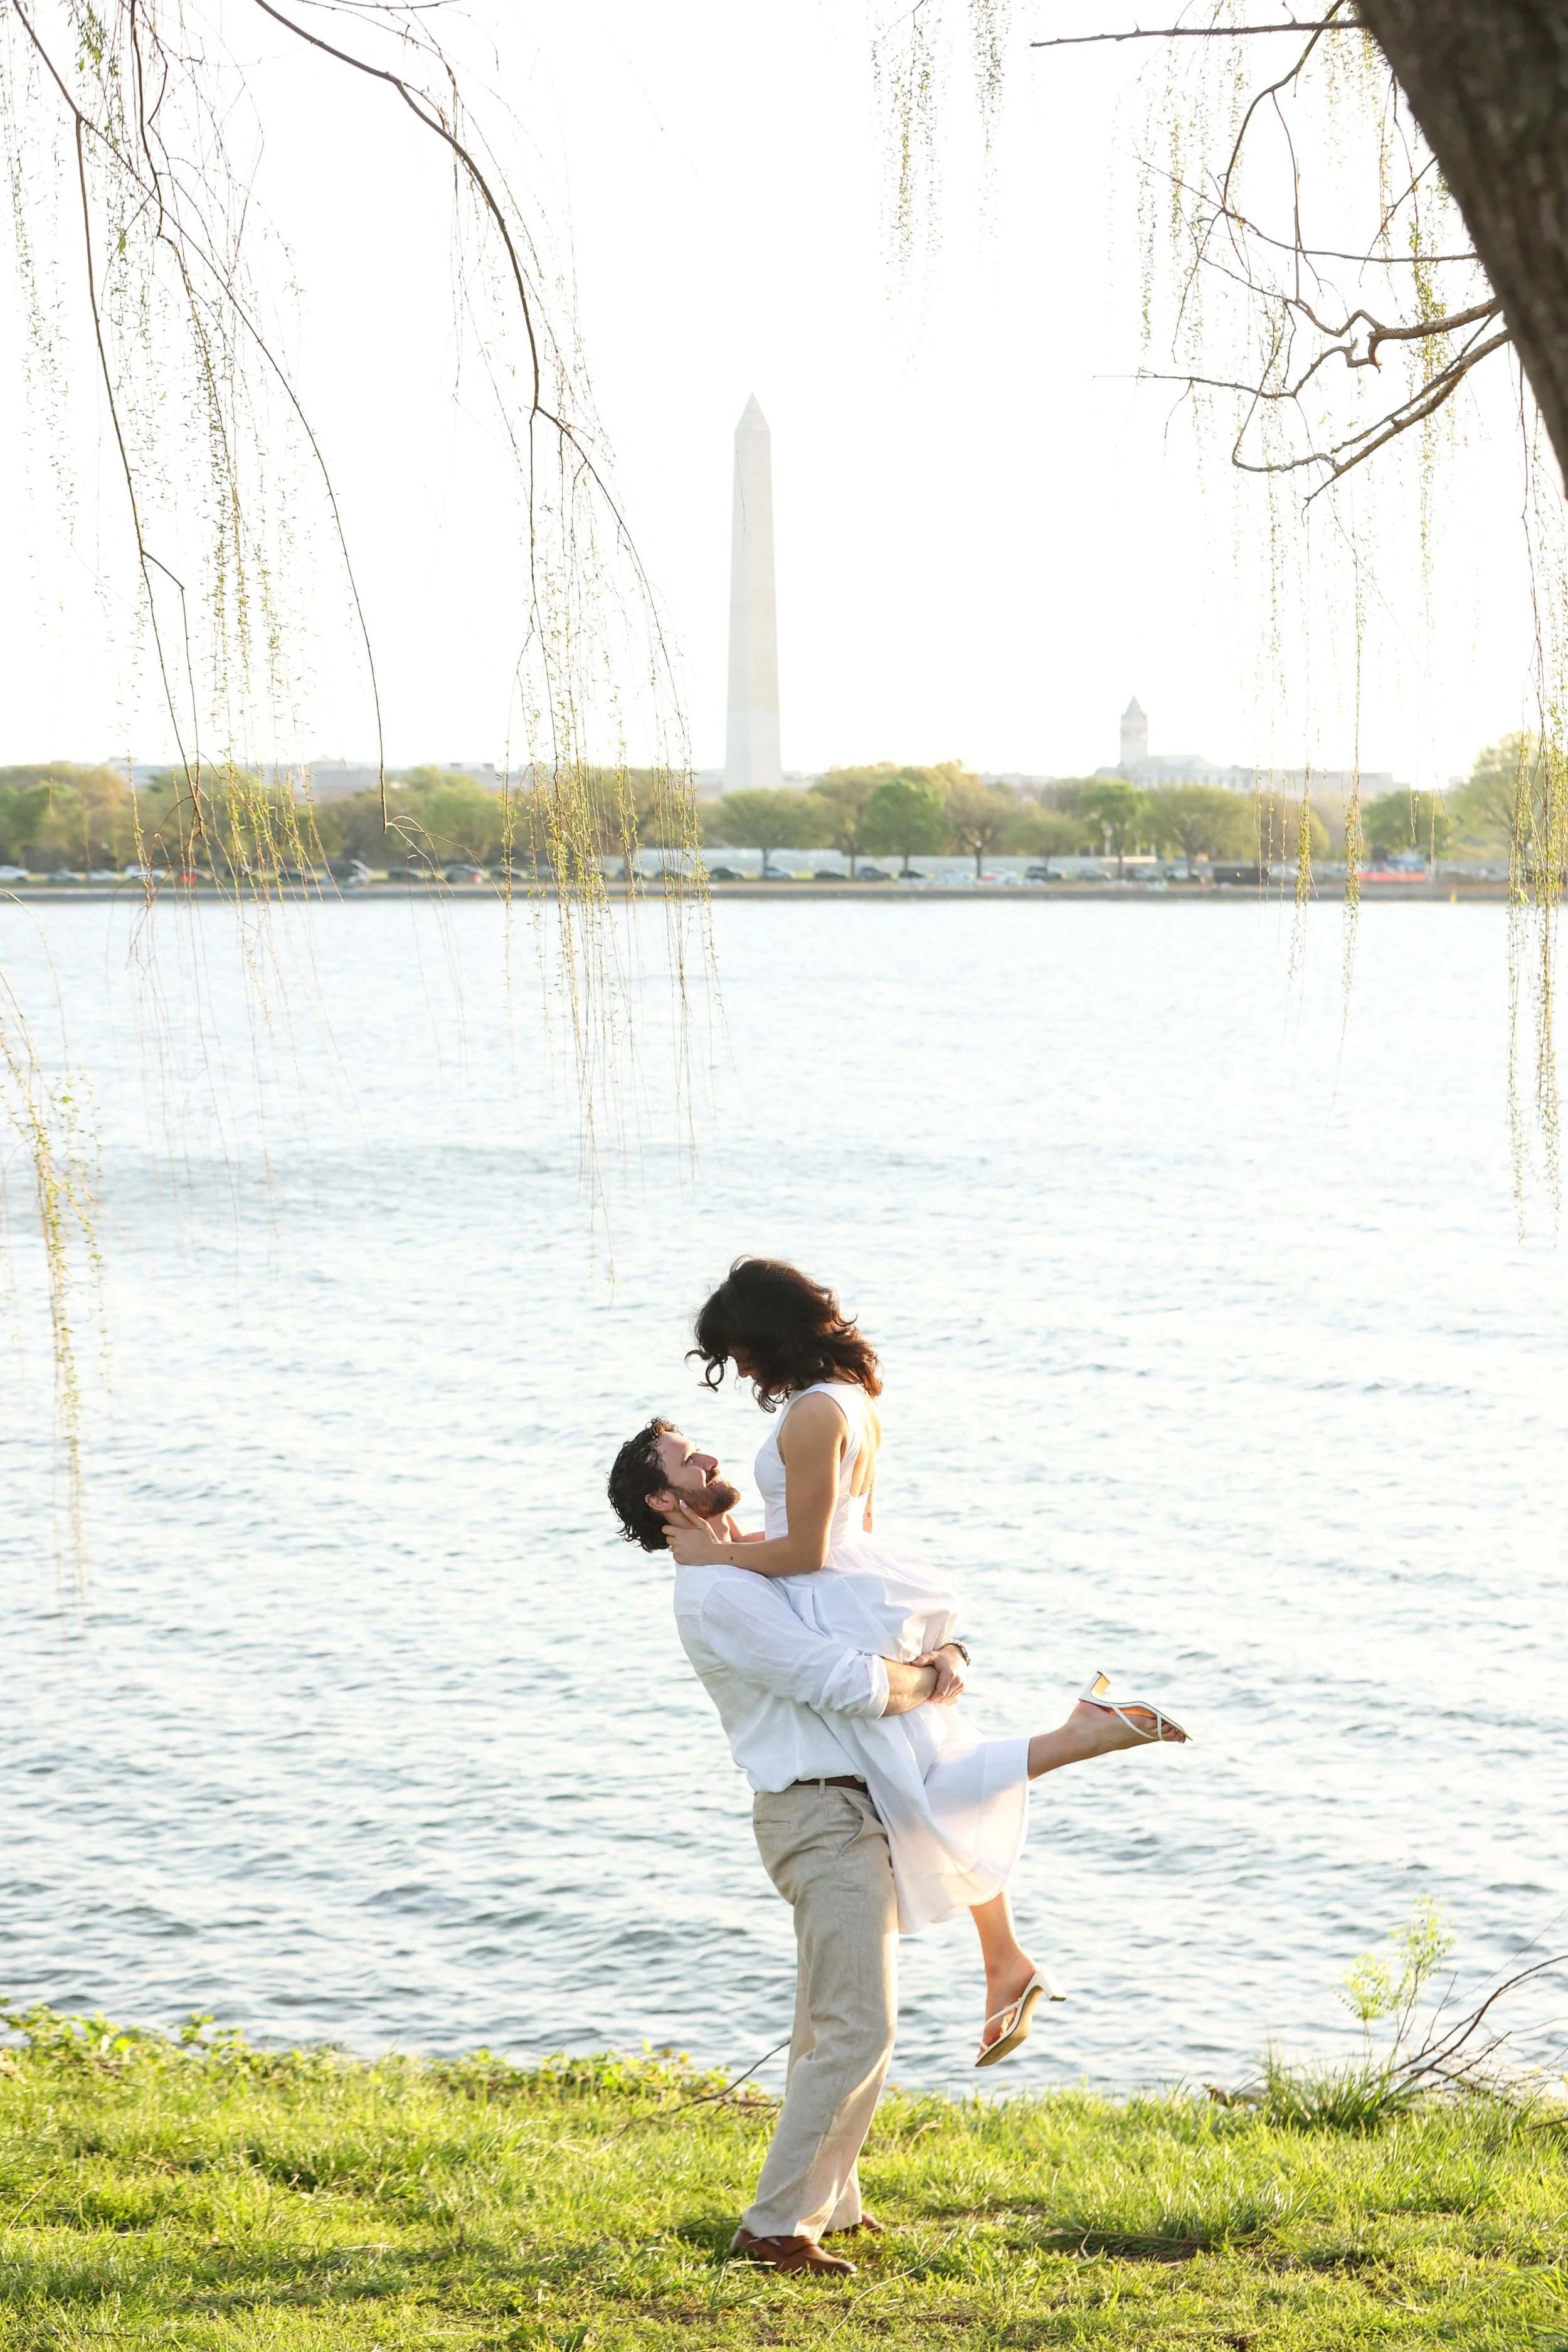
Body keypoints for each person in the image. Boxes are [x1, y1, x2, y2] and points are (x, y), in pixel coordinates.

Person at [605, 1258, 1187, 2276]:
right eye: (687, 1458)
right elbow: (847, 1681)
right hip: (819, 1816)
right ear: (667, 1501)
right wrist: (931, 1675)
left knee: (834, 2020)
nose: (710, 1443)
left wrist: (942, 1659)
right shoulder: (715, 1592)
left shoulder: (755, 1537)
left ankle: (831, 2197)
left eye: (703, 1438)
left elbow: (834, 1571)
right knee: (856, 2027)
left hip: (848, 1803)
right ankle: (773, 2228)